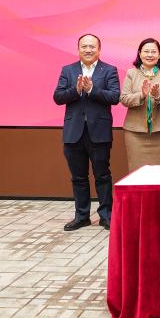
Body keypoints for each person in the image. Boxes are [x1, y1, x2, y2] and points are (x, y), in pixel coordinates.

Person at [53, 34, 120, 231]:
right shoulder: (68, 70)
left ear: (99, 49)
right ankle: (82, 216)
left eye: (92, 46)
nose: (88, 50)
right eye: (84, 46)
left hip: (99, 132)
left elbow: (114, 97)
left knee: (102, 175)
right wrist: (76, 90)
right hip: (74, 132)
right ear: (78, 49)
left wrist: (91, 90)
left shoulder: (109, 70)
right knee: (78, 177)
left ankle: (106, 216)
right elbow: (58, 97)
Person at [119, 38, 160, 172]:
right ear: (140, 54)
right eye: (146, 51)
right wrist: (142, 95)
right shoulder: (131, 73)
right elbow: (124, 99)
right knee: (136, 172)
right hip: (135, 132)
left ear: (159, 54)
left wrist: (158, 95)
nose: (150, 55)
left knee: (159, 172)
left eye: (153, 52)